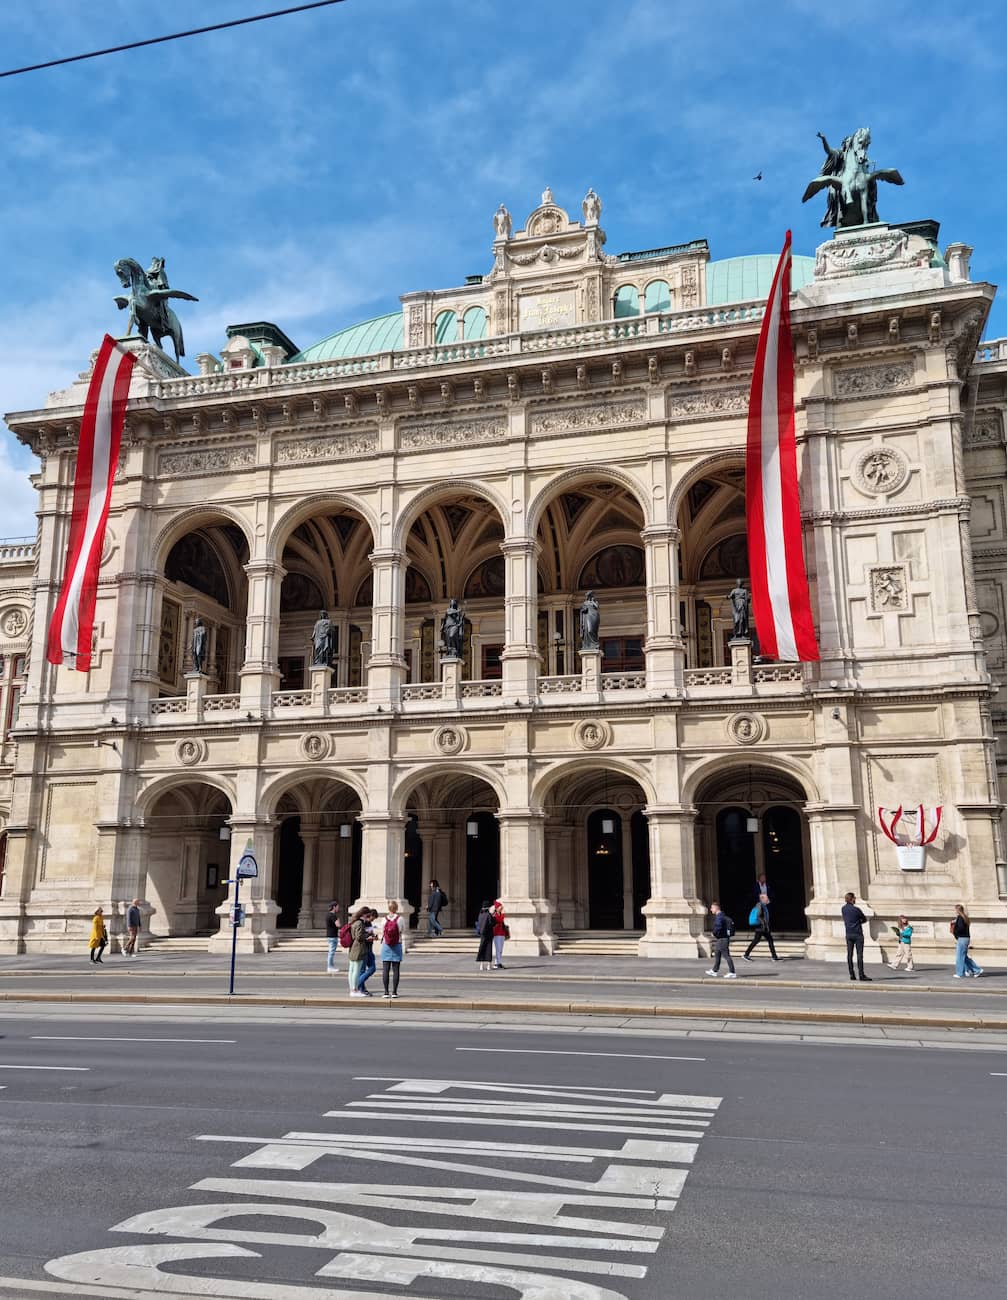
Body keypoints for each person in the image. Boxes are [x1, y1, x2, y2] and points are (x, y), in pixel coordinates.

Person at [842, 892, 871, 981]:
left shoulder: (843, 909)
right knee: (859, 955)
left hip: (848, 933)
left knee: (849, 954)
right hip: (857, 934)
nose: (855, 899)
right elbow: (864, 919)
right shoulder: (856, 909)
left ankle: (852, 974)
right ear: (852, 899)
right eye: (854, 898)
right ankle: (861, 975)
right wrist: (858, 922)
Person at [742, 893, 779, 962]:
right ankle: (746, 955)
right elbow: (758, 915)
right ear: (762, 899)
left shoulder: (763, 905)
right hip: (761, 928)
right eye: (766, 898)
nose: (767, 898)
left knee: (765, 940)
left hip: (762, 927)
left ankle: (774, 956)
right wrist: (763, 924)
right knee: (758, 940)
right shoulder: (760, 905)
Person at [348, 907, 375, 997]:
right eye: (367, 915)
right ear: (364, 914)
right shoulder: (360, 923)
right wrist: (367, 937)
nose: (368, 917)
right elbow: (359, 937)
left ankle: (352, 989)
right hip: (358, 948)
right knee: (356, 970)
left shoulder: (354, 921)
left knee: (352, 970)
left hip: (353, 948)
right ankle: (355, 990)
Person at [705, 902, 737, 978]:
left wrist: (714, 933)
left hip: (723, 939)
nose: (711, 909)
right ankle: (714, 970)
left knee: (726, 955)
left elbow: (718, 926)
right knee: (717, 954)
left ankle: (732, 972)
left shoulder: (719, 916)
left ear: (716, 908)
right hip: (721, 939)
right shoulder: (722, 915)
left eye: (712, 908)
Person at [380, 901, 404, 998]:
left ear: (388, 908)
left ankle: (386, 992)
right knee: (396, 970)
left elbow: (382, 930)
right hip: (397, 945)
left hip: (386, 945)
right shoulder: (400, 919)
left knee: (385, 969)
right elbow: (402, 930)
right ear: (396, 908)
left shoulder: (384, 919)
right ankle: (394, 992)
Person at [951, 904, 983, 978]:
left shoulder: (960, 917)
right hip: (966, 938)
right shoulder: (965, 917)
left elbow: (960, 928)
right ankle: (976, 970)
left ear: (957, 910)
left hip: (962, 938)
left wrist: (955, 931)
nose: (955, 911)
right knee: (963, 956)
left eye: (955, 909)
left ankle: (960, 973)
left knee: (959, 956)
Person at [475, 899, 494, 971]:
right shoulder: (488, 915)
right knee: (488, 950)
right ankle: (489, 965)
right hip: (488, 934)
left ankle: (481, 965)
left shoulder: (480, 914)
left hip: (482, 934)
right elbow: (492, 923)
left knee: (482, 949)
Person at [324, 901, 341, 974]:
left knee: (331, 952)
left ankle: (331, 966)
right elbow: (338, 925)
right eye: (337, 906)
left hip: (329, 935)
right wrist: (339, 920)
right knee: (331, 952)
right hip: (333, 936)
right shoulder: (333, 916)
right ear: (334, 907)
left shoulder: (327, 915)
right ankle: (330, 967)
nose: (338, 908)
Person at [491, 899, 508, 969]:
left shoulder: (500, 914)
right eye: (500, 907)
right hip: (496, 934)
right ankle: (496, 963)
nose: (502, 908)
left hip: (502, 934)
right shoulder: (494, 915)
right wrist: (503, 914)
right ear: (497, 908)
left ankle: (499, 962)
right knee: (498, 949)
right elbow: (500, 920)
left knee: (500, 949)